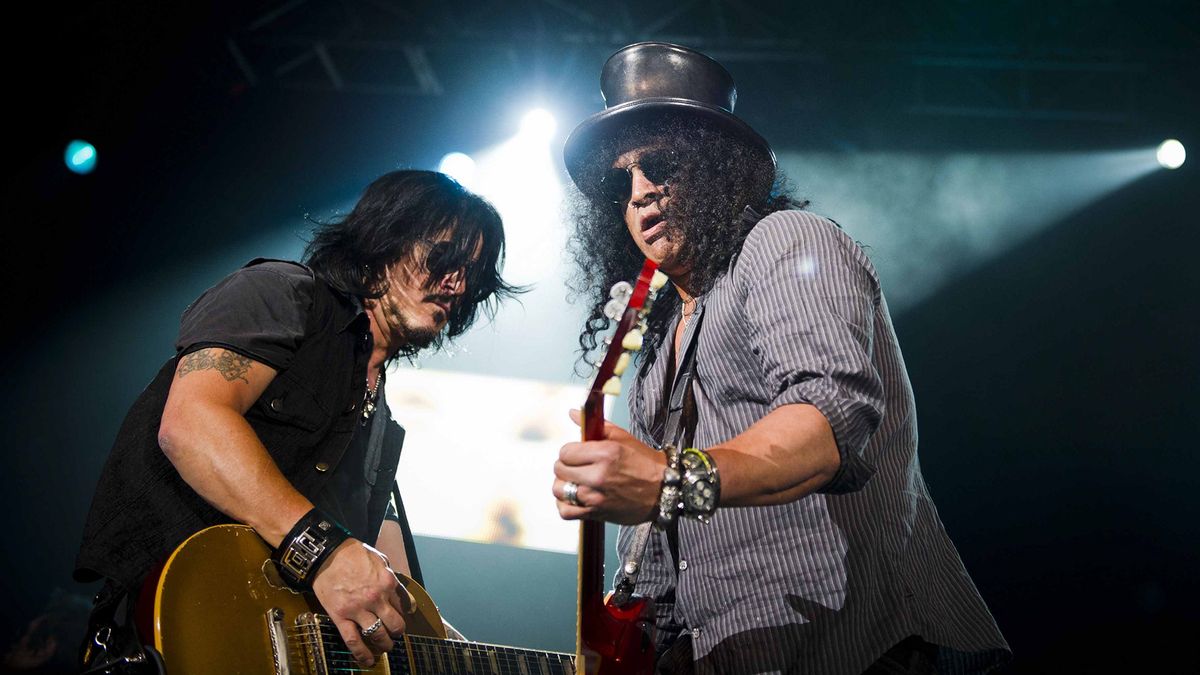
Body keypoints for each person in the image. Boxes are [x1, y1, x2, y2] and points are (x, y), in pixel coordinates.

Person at [552, 42, 1011, 674]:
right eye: (618, 179)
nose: (637, 191)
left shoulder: (784, 241)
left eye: (657, 162)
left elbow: (826, 422)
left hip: (844, 648)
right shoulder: (660, 337)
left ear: (714, 164)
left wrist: (665, 479)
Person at [74, 170, 520, 670]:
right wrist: (323, 553)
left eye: (473, 278)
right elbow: (191, 423)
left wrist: (465, 656)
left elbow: (391, 589)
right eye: (444, 259)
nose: (456, 284)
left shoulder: (379, 426)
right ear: (382, 238)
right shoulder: (285, 295)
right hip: (164, 632)